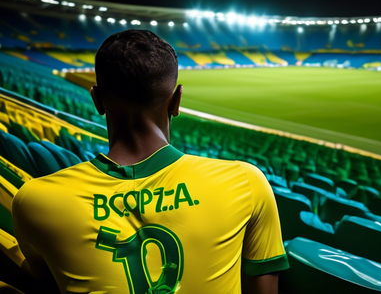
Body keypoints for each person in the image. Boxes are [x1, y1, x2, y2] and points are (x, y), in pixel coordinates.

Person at [12, 30, 289, 294]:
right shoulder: (245, 182)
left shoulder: (35, 200)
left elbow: (47, 279)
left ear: (97, 100)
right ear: (176, 100)